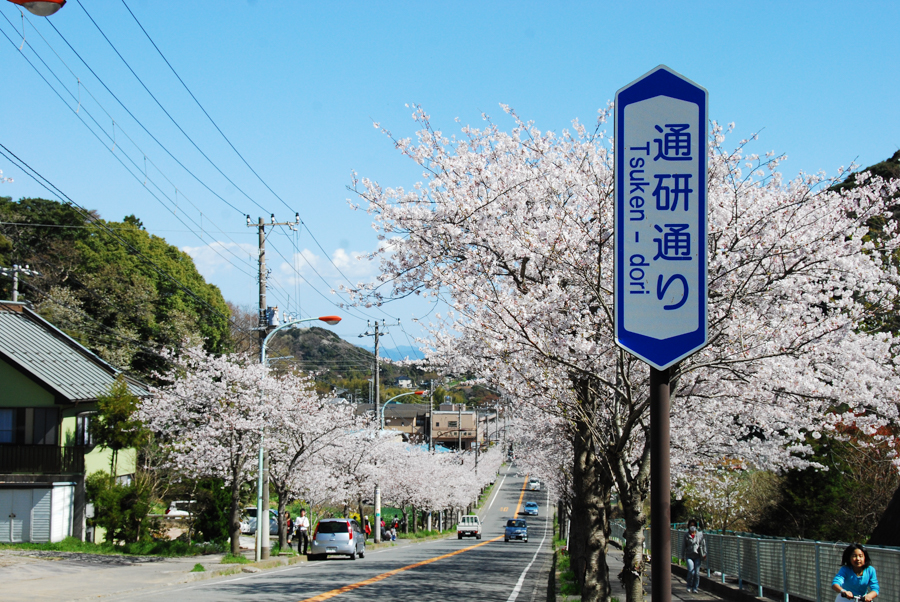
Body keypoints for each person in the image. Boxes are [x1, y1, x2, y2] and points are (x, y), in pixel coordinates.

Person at [681, 519, 707, 594]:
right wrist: (682, 556)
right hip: (689, 555)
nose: (692, 527)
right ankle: (689, 586)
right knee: (691, 571)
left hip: (697, 556)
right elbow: (683, 546)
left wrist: (704, 553)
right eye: (691, 525)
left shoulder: (700, 534)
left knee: (697, 573)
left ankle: (695, 588)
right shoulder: (686, 535)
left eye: (694, 525)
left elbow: (703, 544)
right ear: (688, 526)